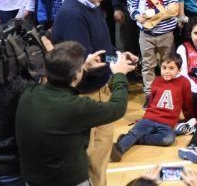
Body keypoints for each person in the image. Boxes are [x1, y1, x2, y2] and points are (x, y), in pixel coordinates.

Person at [50, 0, 136, 186]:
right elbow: (87, 61)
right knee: (92, 159)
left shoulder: (91, 5)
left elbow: (102, 48)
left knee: (101, 156)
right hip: (86, 96)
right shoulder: (72, 15)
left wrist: (118, 55)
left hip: (100, 90)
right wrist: (115, 66)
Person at [16, 42, 135, 186]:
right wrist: (120, 74)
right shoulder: (77, 107)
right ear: (76, 75)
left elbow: (63, 81)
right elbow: (118, 107)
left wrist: (82, 68)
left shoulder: (28, 94)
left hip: (32, 180)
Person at [110, 53, 192, 161]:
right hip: (150, 118)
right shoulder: (157, 80)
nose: (167, 71)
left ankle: (133, 139)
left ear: (179, 70)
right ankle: (119, 148)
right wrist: (144, 117)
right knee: (136, 131)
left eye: (171, 68)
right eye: (164, 68)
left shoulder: (184, 83)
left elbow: (187, 102)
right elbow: (152, 101)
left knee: (168, 139)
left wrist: (187, 116)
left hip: (167, 123)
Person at [127, 0, 179, 100]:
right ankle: (150, 95)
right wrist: (137, 16)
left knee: (167, 63)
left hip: (166, 34)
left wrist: (156, 18)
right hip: (146, 35)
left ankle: (167, 93)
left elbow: (173, 8)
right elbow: (131, 5)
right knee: (148, 65)